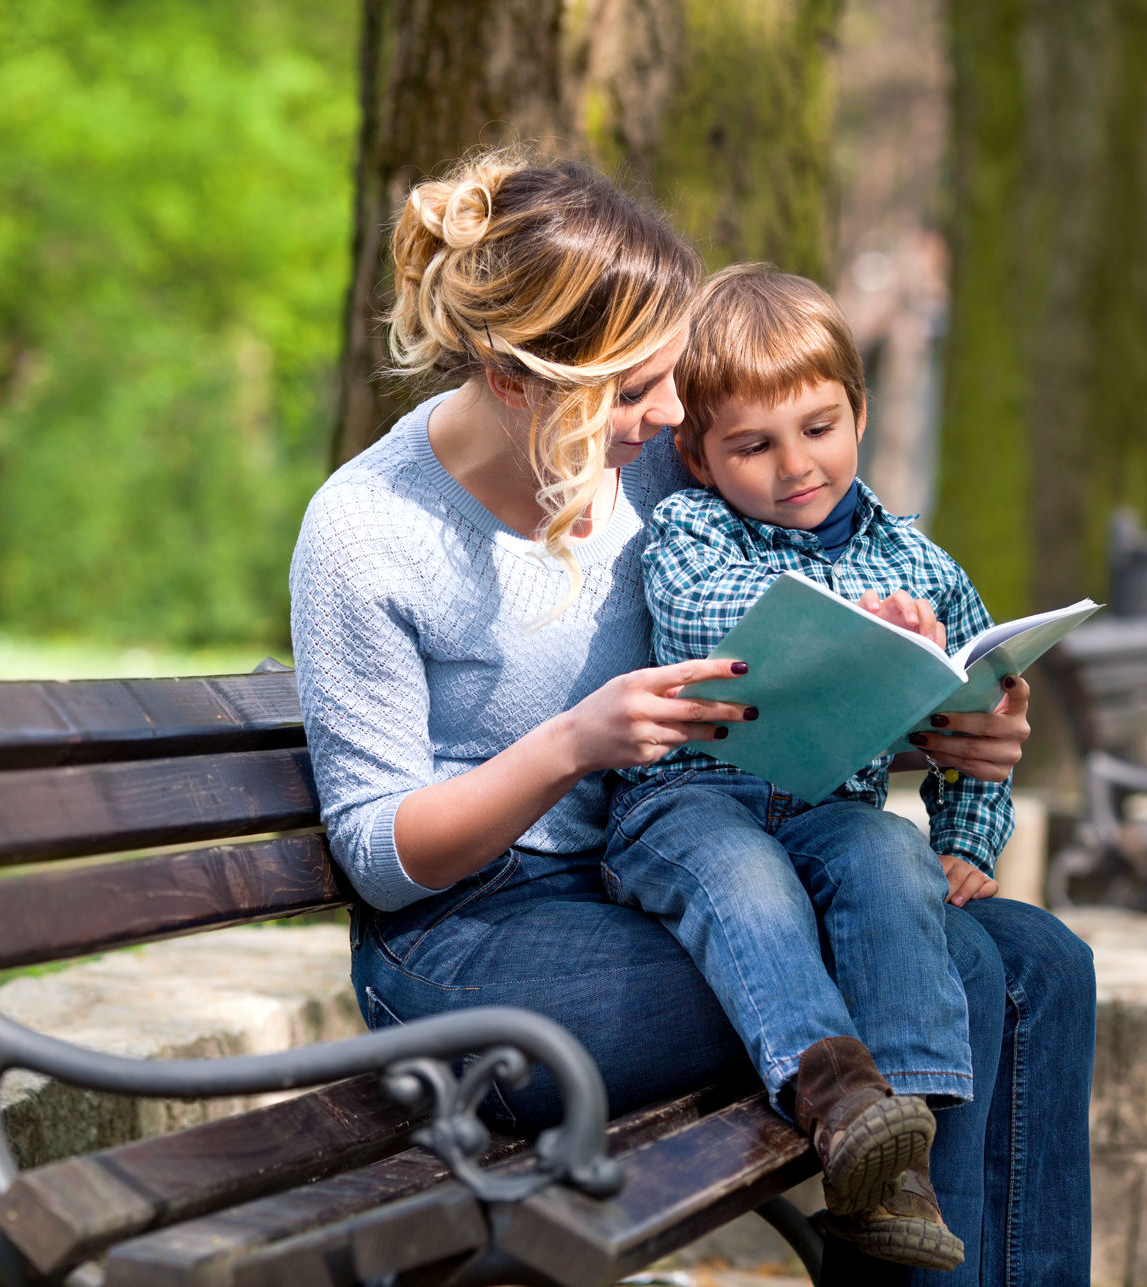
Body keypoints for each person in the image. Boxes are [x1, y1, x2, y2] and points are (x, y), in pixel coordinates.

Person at [288, 147, 1094, 1286]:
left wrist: (935, 721)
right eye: (632, 391)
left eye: (670, 380)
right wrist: (570, 745)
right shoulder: (369, 532)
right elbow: (379, 856)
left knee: (1043, 961)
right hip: (474, 945)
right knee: (961, 969)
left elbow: (768, 669)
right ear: (518, 379)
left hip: (665, 877)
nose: (667, 417)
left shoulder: (657, 466)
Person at [602, 263, 1014, 1271]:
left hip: (830, 806)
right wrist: (846, 628)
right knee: (746, 878)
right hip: (689, 802)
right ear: (696, 457)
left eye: (819, 428)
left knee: (887, 853)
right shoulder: (692, 532)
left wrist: (965, 836)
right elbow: (713, 622)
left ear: (858, 414)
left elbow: (978, 699)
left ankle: (894, 1147)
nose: (795, 465)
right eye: (752, 445)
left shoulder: (920, 564)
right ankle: (835, 1095)